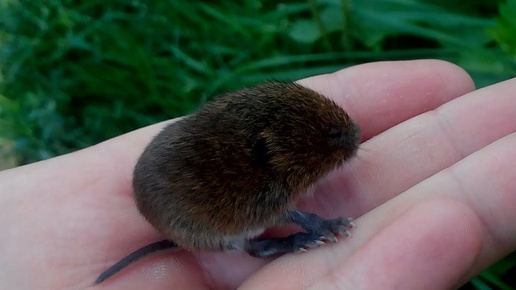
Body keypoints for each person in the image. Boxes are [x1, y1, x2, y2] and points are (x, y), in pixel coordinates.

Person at [1, 59, 515, 290]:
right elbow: (274, 205)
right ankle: (262, 248)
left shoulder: (255, 141)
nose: (351, 139)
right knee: (248, 234)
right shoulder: (254, 188)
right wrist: (310, 225)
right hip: (194, 223)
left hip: (171, 181)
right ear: (271, 158)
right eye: (330, 141)